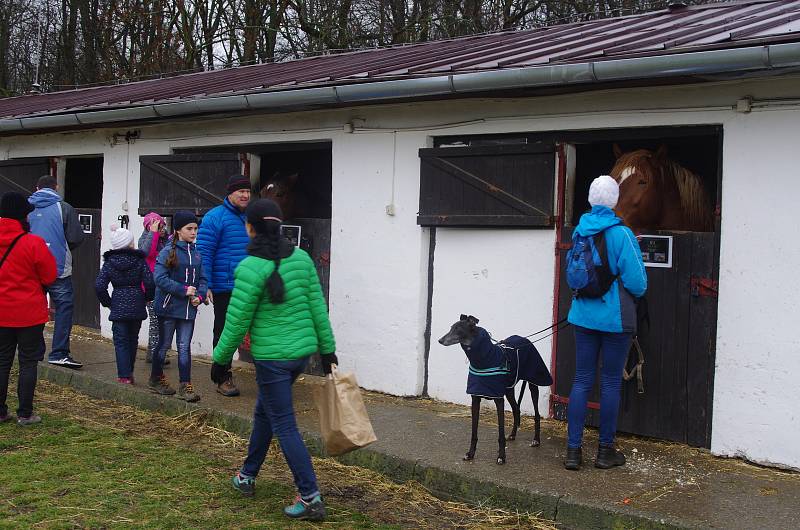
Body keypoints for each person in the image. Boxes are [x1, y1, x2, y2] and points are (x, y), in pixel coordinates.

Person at [211, 198, 337, 522]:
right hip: (300, 356)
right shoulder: (302, 259)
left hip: (272, 359)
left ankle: (310, 497)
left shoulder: (250, 267)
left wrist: (220, 361)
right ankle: (247, 476)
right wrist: (327, 352)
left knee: (284, 424)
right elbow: (317, 308)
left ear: (249, 228)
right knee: (265, 412)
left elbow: (236, 322)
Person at [564, 175, 647, 471]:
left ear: (589, 199)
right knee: (610, 382)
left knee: (581, 380)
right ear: (614, 201)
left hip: (582, 316)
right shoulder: (621, 234)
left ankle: (573, 452)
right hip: (613, 319)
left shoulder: (579, 231)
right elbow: (638, 284)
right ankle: (604, 452)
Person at [0, 192, 57, 425]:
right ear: (23, 215)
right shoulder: (33, 242)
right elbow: (50, 275)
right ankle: (25, 413)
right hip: (29, 313)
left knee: (2, 361)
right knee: (28, 362)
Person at [196, 174, 252, 397]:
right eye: (241, 192)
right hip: (225, 286)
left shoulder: (250, 218)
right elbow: (204, 253)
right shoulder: (214, 218)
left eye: (248, 192)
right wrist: (205, 283)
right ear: (230, 193)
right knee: (225, 333)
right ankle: (222, 377)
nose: (246, 195)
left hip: (249, 286)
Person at [27, 175, 85, 369]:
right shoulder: (65, 207)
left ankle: (34, 350)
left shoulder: (27, 208)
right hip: (58, 267)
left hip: (31, 268)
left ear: (37, 187)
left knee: (35, 308)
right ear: (56, 187)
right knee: (64, 310)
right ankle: (59, 353)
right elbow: (76, 237)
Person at [150, 211, 207, 402]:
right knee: (164, 344)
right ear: (178, 231)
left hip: (188, 310)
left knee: (184, 346)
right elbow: (159, 278)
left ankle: (185, 385)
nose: (193, 232)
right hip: (167, 307)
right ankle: (156, 378)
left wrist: (199, 295)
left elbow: (203, 280)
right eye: (189, 229)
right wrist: (184, 290)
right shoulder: (168, 251)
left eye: (195, 228)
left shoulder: (197, 254)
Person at [95, 224, 155, 384]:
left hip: (118, 303)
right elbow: (150, 282)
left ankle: (124, 375)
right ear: (129, 243)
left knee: (120, 341)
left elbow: (99, 286)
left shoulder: (109, 263)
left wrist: (108, 303)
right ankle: (130, 372)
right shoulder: (140, 261)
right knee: (132, 339)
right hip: (137, 301)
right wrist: (148, 297)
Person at [138, 212, 169, 365]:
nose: (163, 228)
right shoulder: (145, 239)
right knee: (156, 320)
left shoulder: (165, 240)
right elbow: (147, 252)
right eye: (159, 226)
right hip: (150, 287)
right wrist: (153, 233)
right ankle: (155, 354)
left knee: (161, 321)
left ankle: (154, 352)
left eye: (163, 225)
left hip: (163, 285)